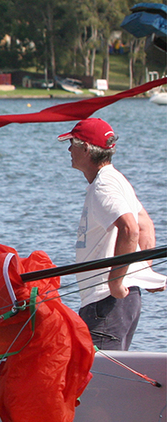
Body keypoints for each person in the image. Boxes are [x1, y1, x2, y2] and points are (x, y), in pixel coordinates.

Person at [58, 118, 165, 350]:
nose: (68, 149)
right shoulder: (115, 179)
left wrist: (116, 281)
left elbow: (131, 229)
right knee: (108, 372)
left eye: (72, 143)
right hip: (121, 300)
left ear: (86, 148)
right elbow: (146, 224)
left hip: (106, 301)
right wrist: (141, 272)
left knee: (99, 378)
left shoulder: (103, 186)